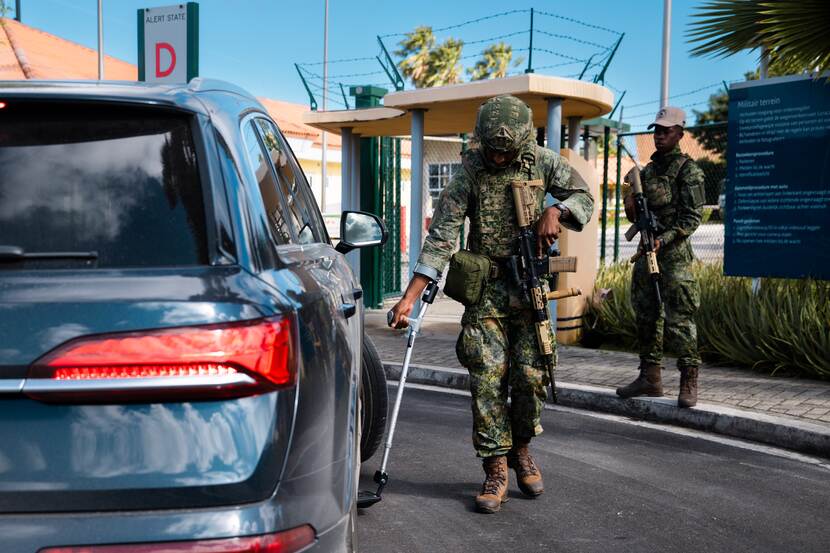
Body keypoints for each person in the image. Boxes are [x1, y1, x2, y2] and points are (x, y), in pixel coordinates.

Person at [388, 95, 593, 513]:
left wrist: (558, 210)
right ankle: (495, 466)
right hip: (487, 293)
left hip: (530, 288)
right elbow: (442, 235)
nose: (499, 157)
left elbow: (585, 198)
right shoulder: (470, 170)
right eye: (493, 149)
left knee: (532, 377)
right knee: (486, 377)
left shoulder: (542, 161)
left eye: (507, 151)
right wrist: (409, 299)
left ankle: (521, 449)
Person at [616, 106, 705, 408]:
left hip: (674, 257)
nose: (660, 135)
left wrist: (664, 238)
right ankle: (650, 377)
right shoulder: (646, 172)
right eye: (656, 130)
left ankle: (688, 378)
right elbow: (630, 201)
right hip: (646, 253)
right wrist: (628, 191)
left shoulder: (688, 171)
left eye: (666, 130)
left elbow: (692, 217)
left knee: (680, 318)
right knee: (646, 314)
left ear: (680, 133)